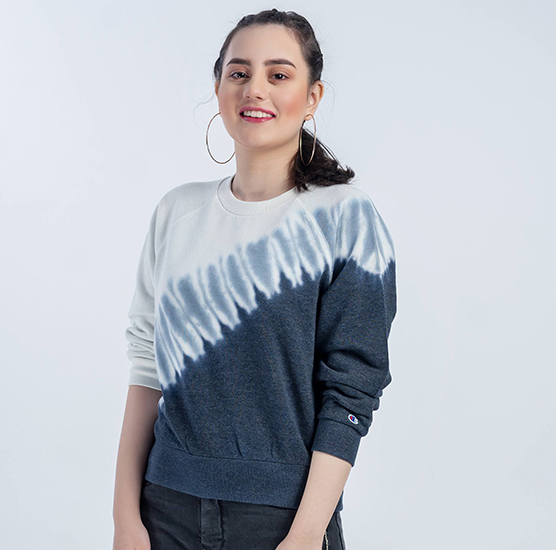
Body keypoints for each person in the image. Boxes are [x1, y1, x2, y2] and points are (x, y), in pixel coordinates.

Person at [112, 8, 397, 550]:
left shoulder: (345, 219)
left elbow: (352, 391)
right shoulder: (177, 212)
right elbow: (146, 366)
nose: (255, 89)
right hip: (164, 508)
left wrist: (306, 534)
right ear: (218, 87)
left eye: (279, 74)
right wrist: (125, 519)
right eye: (239, 73)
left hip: (282, 520)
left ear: (312, 97)